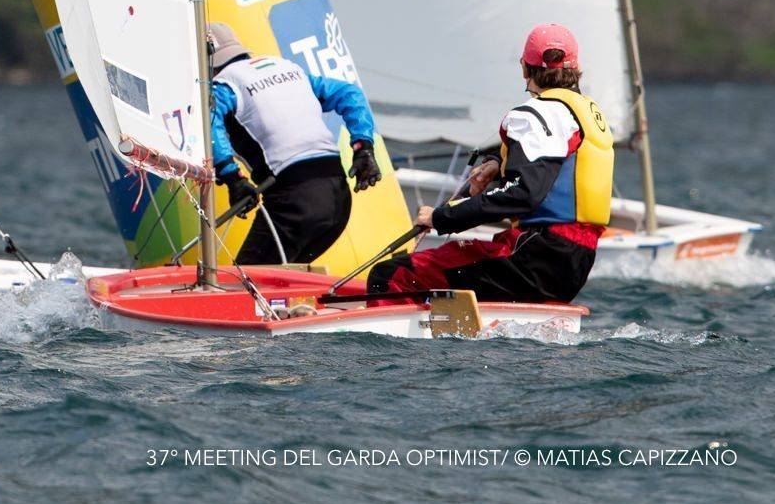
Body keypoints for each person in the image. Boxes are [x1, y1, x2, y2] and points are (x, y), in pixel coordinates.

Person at [368, 23, 613, 305]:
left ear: (524, 67)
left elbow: (524, 192)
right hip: (576, 262)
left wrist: (441, 218)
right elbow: (554, 159)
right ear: (575, 68)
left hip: (536, 254)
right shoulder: (584, 114)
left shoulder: (533, 113)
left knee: (393, 274)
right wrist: (498, 160)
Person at [207, 22, 381, 265]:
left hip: (294, 201)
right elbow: (350, 93)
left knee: (245, 285)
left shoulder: (223, 86)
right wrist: (364, 147)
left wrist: (232, 178)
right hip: (338, 200)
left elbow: (208, 122)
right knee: (277, 284)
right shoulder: (289, 69)